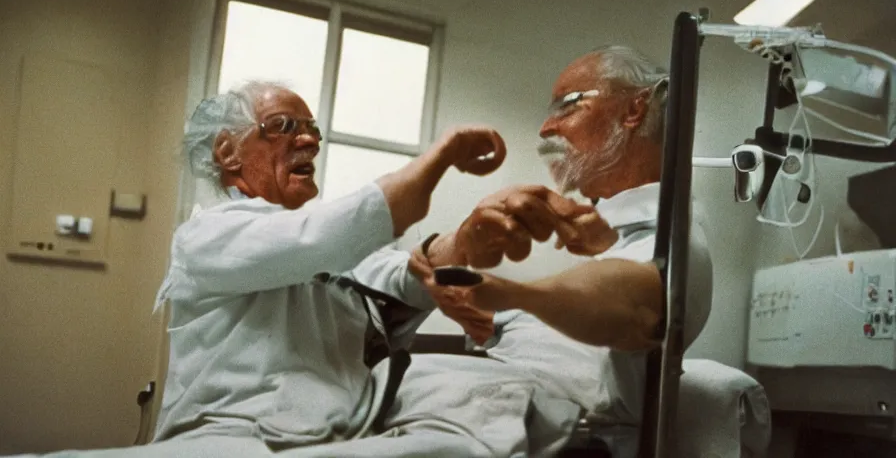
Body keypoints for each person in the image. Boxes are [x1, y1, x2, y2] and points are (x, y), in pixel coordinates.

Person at [20, 81, 596, 458]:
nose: (308, 142)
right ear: (227, 154)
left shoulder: (326, 243)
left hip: (342, 432)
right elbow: (322, 238)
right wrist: (437, 158)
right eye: (283, 127)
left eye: (312, 130)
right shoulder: (210, 236)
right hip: (235, 435)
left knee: (496, 396)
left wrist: (466, 238)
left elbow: (401, 277)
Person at [411, 45, 714, 454]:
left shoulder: (675, 241)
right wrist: (484, 307)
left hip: (516, 417)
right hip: (470, 393)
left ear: (634, 110)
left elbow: (635, 307)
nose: (545, 128)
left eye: (566, 106)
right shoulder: (611, 236)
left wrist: (508, 292)